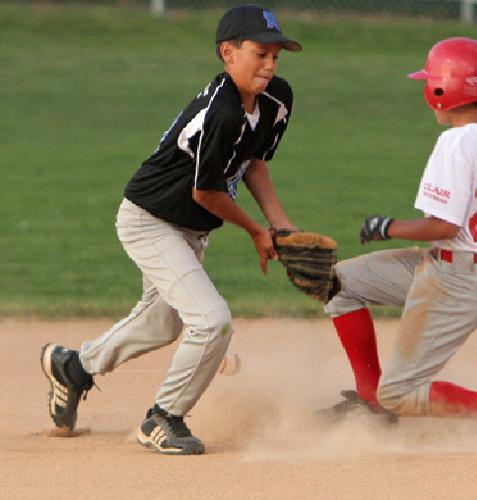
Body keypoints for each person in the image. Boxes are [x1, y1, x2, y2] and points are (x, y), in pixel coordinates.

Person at [40, 4, 302, 455]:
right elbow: (207, 193)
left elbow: (253, 160)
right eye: (260, 53)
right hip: (150, 220)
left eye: (276, 55)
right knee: (212, 321)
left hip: (188, 227)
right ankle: (163, 418)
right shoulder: (220, 112)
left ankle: (74, 367)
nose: (270, 64)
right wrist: (257, 231)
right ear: (227, 53)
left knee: (163, 323)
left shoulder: (277, 99)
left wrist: (280, 223)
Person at [321, 37, 477, 438]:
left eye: (433, 79)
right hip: (452, 266)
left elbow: (444, 226)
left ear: (444, 89)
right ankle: (370, 402)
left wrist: (387, 227)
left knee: (401, 393)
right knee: (335, 283)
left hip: (457, 281)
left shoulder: (455, 143)